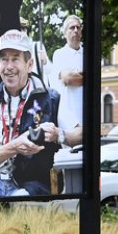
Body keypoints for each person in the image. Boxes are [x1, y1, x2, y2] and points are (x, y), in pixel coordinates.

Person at [0, 29, 63, 199]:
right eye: (4, 59)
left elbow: (75, 136)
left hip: (32, 183)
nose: (8, 67)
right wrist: (15, 146)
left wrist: (57, 134)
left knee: (19, 205)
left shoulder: (51, 99)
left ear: (29, 64)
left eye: (15, 59)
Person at [51, 14, 84, 146]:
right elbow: (68, 78)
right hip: (69, 115)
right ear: (65, 33)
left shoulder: (87, 53)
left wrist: (76, 74)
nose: (75, 30)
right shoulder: (59, 54)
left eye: (78, 27)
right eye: (72, 28)